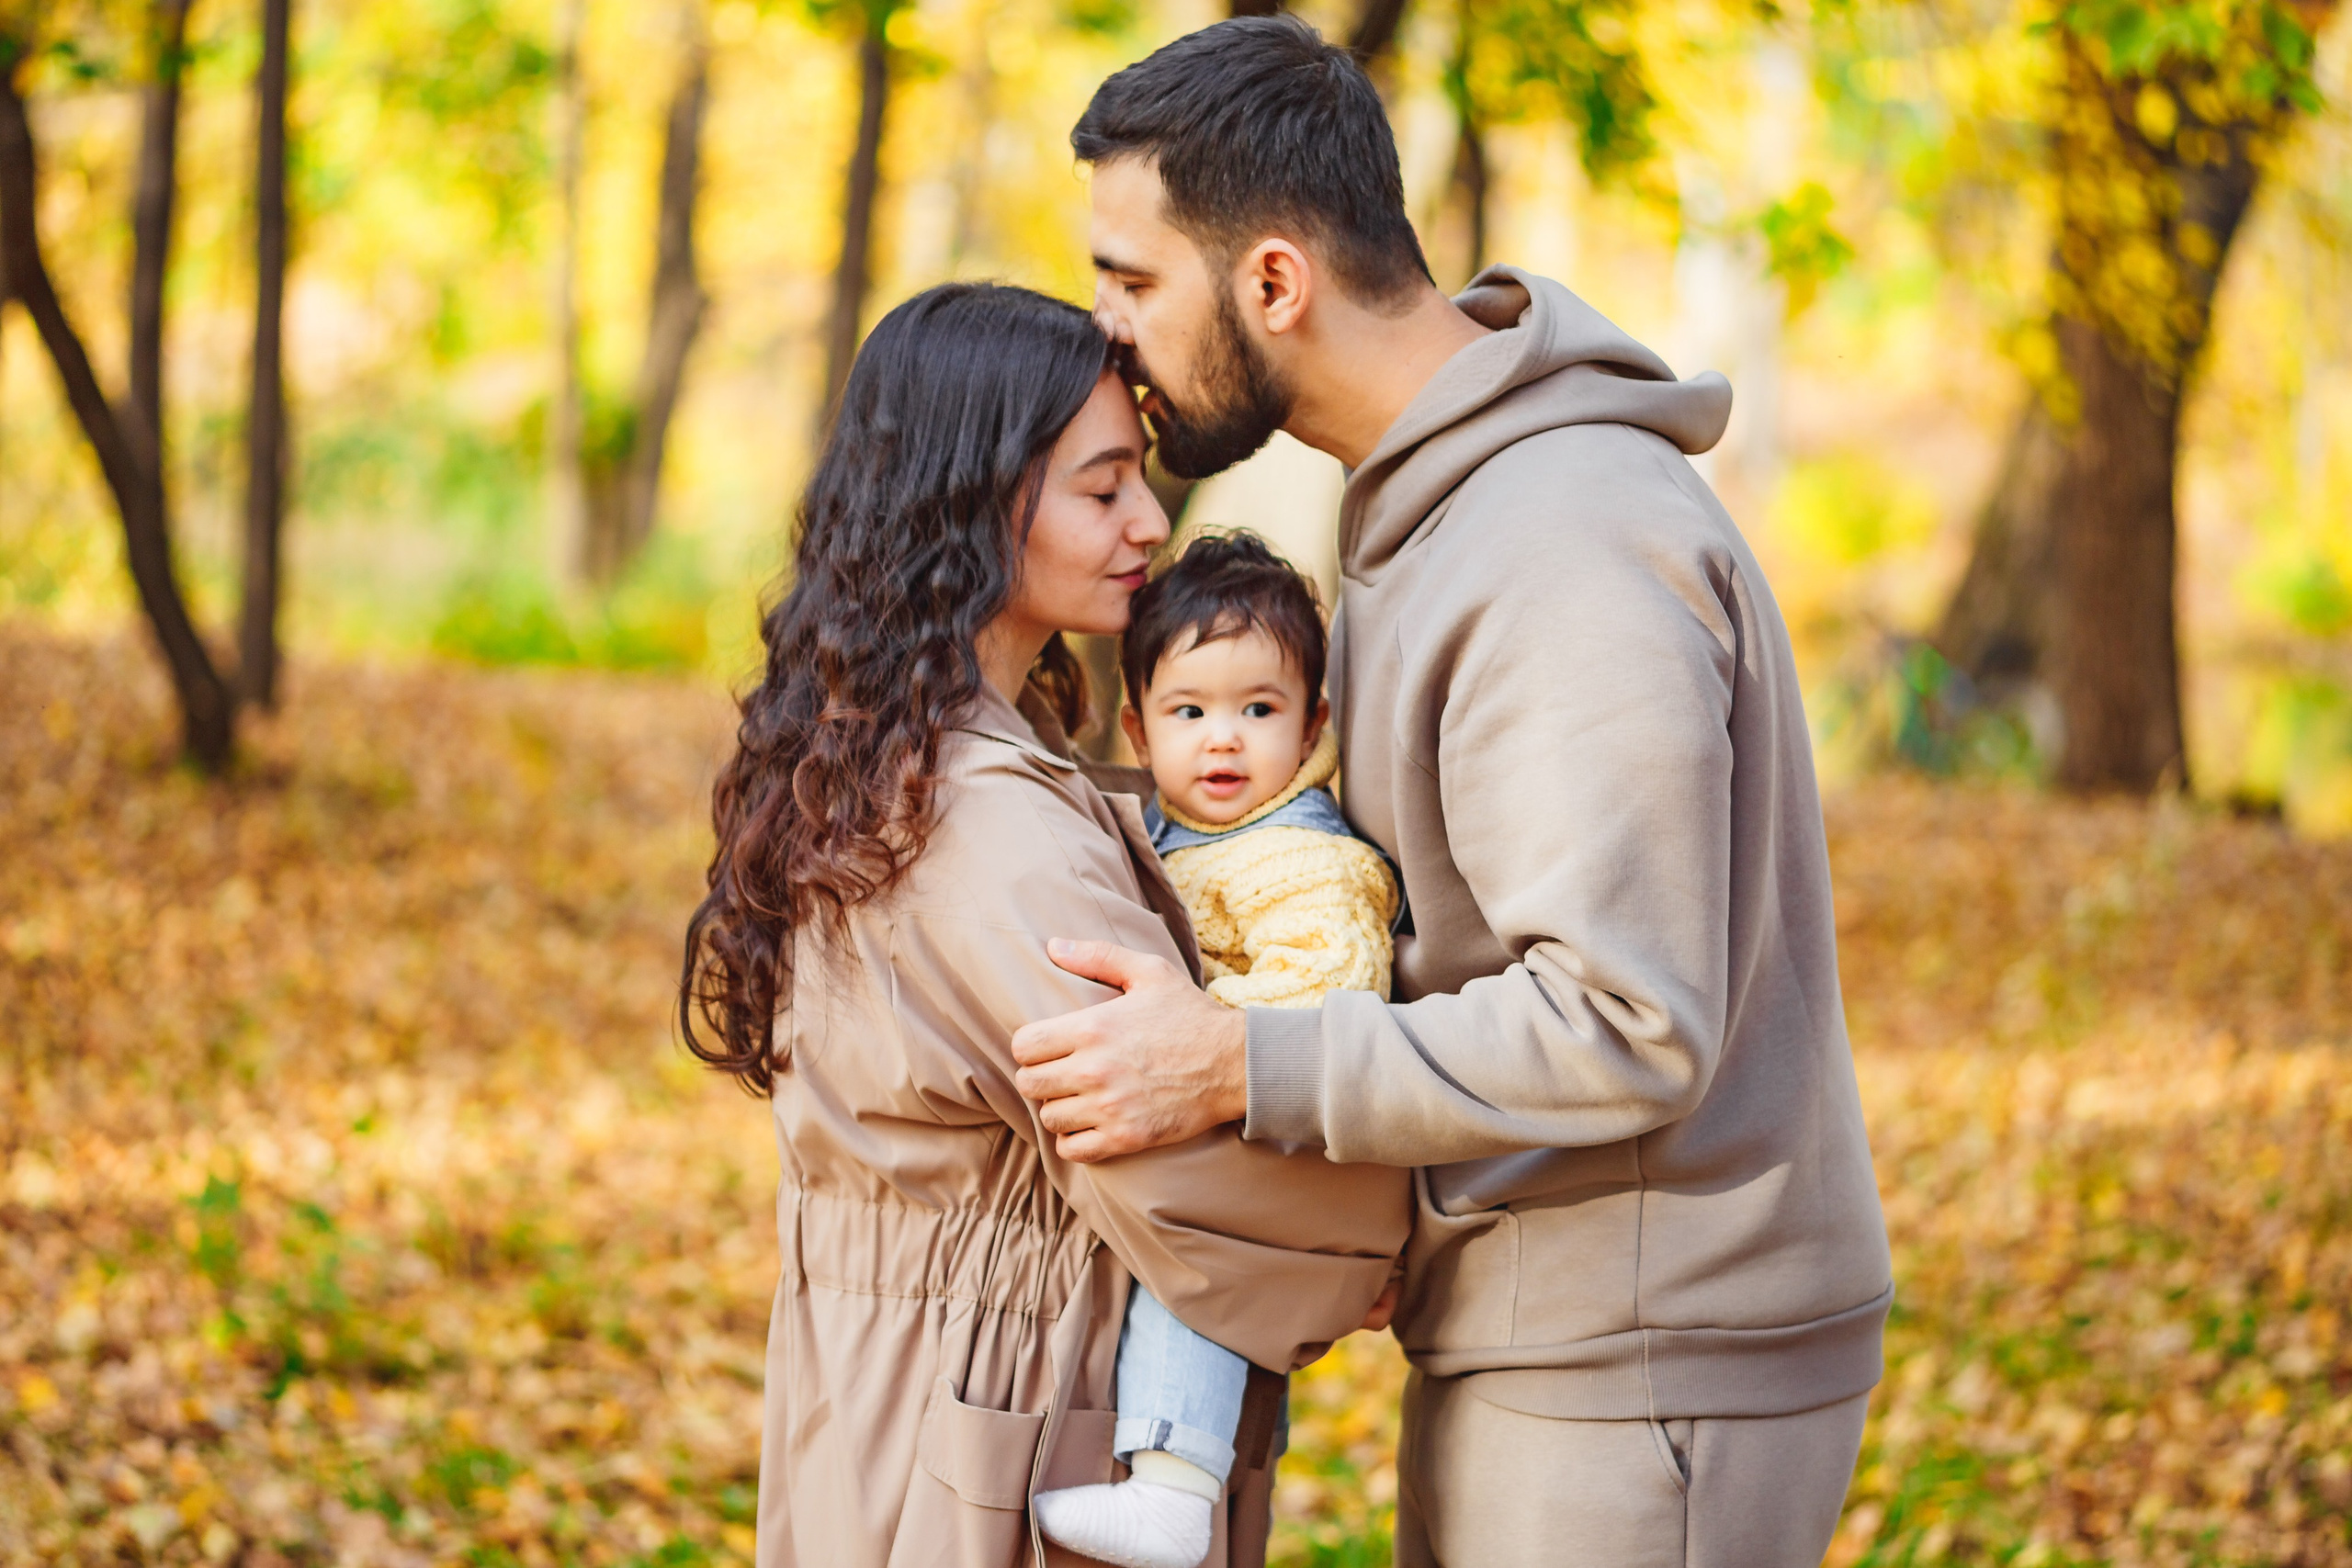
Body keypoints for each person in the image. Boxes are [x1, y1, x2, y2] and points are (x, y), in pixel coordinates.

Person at [1009, 18, 1895, 1567]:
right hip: (1553, 1322)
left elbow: (1628, 1017)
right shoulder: (1428, 506)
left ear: (1272, 282)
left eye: (1134, 282)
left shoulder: (1559, 543)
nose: (1110, 335)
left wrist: (1239, 1064)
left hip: (1650, 1355)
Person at [679, 281, 1410, 1568]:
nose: (1147, 520)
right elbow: (1177, 1168)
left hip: (909, 1404)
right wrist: (1396, 1228)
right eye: (1103, 485)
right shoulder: (984, 819)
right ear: (977, 503)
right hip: (1002, 1430)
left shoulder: (890, 756)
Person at [1034, 531, 1398, 1568]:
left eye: (1259, 710)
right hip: (1229, 1134)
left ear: (1313, 723)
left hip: (1277, 1127)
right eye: (1191, 712)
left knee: (1195, 1278)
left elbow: (1331, 987)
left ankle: (1173, 1493)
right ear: (1138, 729)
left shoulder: (1300, 855)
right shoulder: (1176, 833)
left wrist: (1189, 1030)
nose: (1224, 741)